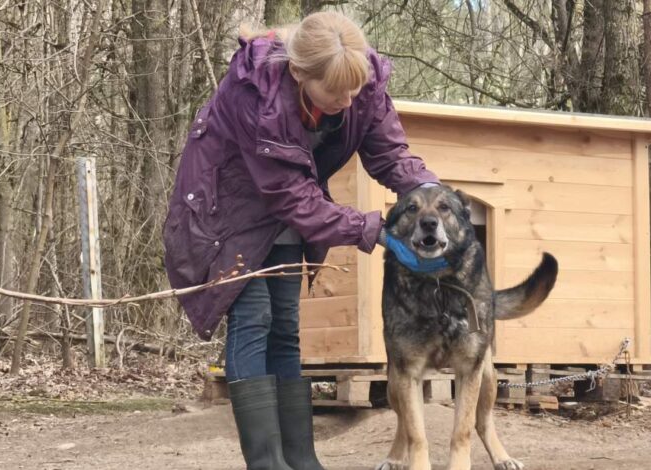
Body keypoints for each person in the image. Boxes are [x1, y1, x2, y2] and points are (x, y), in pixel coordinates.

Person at [163, 11, 443, 470]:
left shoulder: (360, 81)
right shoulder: (253, 92)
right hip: (227, 205)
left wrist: (430, 192)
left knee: (286, 326)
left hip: (292, 199)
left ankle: (301, 457)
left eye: (353, 91)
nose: (346, 100)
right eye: (335, 93)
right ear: (298, 73)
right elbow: (291, 197)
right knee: (254, 316)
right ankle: (267, 462)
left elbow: (390, 152)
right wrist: (377, 230)